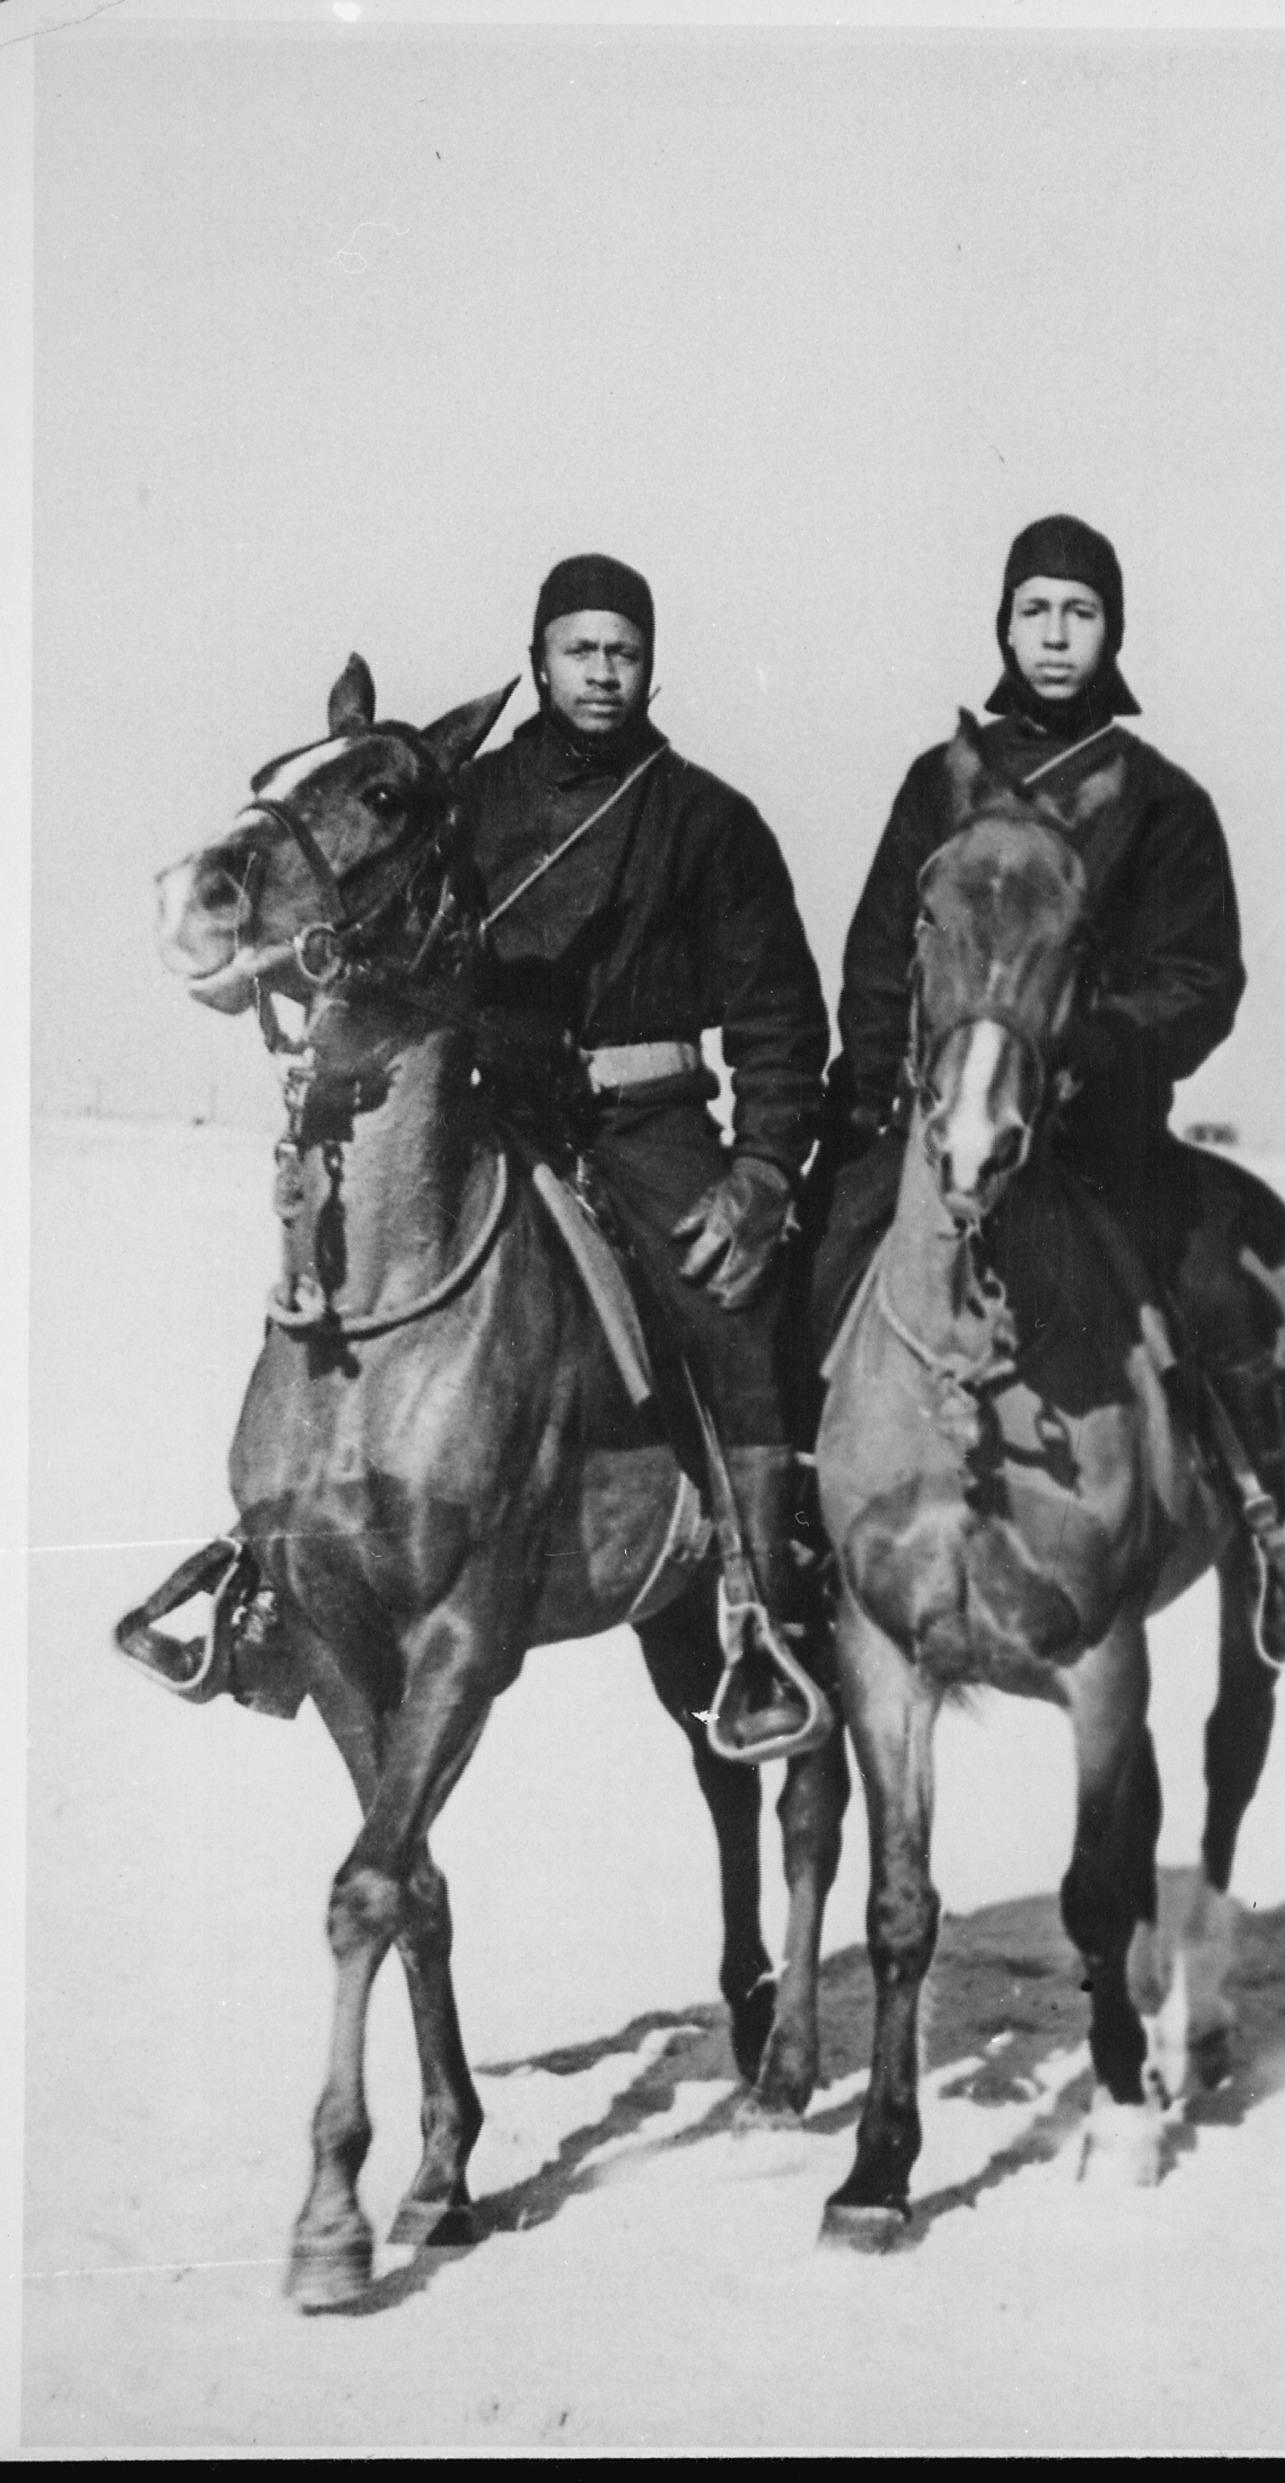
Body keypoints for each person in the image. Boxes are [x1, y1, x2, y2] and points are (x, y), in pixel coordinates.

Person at [806, 513, 1285, 1664]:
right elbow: (875, 954)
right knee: (818, 1254)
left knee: (1201, 1288)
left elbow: (1203, 977)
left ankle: (1265, 1525)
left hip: (1096, 1125)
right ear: (1003, 625)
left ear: (1113, 631)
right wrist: (874, 1101)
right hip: (936, 1118)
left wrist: (1097, 1047)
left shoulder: (1161, 800)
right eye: (1036, 611)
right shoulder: (936, 785)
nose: (1057, 635)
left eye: (1081, 613)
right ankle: (797, 1523)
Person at [457, 552, 831, 1753]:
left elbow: (779, 1014)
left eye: (623, 651)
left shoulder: (707, 819)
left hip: (648, 1127)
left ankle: (760, 1628)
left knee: (733, 1317)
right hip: (492, 1113)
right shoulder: (467, 803)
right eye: (581, 649)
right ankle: (265, 1565)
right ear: (538, 661)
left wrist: (765, 1170)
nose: (603, 671)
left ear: (651, 664)